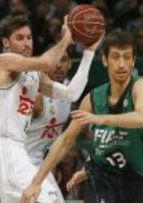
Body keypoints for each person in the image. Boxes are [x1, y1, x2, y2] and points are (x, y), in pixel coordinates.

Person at [22, 29, 143, 203]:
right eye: (116, 57)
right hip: (103, 177)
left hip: (141, 179)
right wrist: (36, 183)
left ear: (133, 61)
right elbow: (65, 140)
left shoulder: (141, 87)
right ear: (104, 60)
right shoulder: (93, 99)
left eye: (127, 57)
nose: (122, 64)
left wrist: (101, 119)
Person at [0, 14, 98, 203]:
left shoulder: (35, 75)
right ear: (6, 42)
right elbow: (47, 63)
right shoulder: (3, 61)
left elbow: (71, 94)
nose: (27, 43)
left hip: (19, 151)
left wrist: (89, 53)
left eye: (29, 37)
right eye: (19, 38)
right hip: (3, 147)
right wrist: (66, 38)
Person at [25, 48, 96, 201]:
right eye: (54, 60)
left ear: (70, 63)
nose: (58, 65)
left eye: (63, 60)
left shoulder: (68, 91)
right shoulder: (35, 96)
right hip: (21, 162)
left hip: (42, 164)